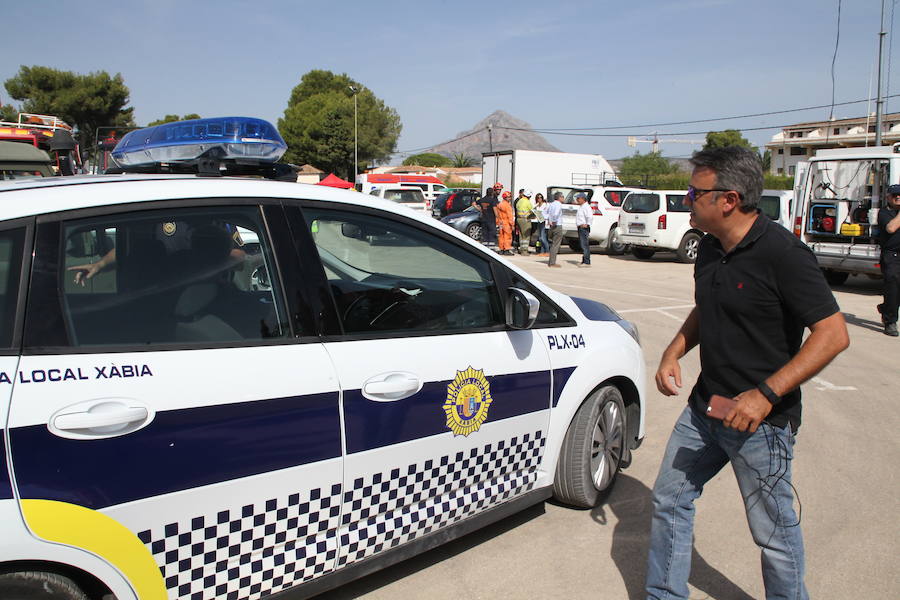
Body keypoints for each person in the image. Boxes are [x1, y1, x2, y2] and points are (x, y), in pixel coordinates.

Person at [646, 146, 849, 600]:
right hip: (705, 410)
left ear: (729, 199)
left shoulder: (784, 254)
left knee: (774, 534)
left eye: (695, 193)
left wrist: (764, 394)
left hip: (760, 423)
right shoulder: (711, 248)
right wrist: (672, 351)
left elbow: (833, 334)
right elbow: (707, 307)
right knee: (669, 500)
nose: (686, 200)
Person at [877, 184, 900, 337]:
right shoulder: (884, 212)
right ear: (888, 197)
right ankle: (890, 321)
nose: (898, 197)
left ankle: (886, 307)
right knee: (893, 286)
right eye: (894, 195)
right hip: (892, 255)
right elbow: (891, 228)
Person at [544, 191, 564, 268]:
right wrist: (554, 221)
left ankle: (551, 261)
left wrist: (549, 220)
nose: (563, 198)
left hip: (551, 226)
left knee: (553, 244)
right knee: (556, 244)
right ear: (559, 197)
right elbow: (556, 213)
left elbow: (544, 213)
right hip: (557, 225)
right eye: (562, 197)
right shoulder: (558, 205)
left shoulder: (551, 204)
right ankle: (552, 262)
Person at [574, 192, 592, 267]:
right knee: (582, 244)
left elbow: (590, 216)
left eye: (578, 198)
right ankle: (584, 260)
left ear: (583, 199)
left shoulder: (586, 207)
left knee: (584, 244)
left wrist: (587, 224)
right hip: (580, 227)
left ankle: (587, 262)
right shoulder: (581, 206)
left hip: (583, 228)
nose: (577, 200)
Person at [515, 189, 534, 255]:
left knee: (521, 235)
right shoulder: (527, 202)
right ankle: (525, 251)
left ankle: (521, 249)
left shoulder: (519, 201)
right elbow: (532, 211)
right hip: (525, 220)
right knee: (526, 236)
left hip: (519, 219)